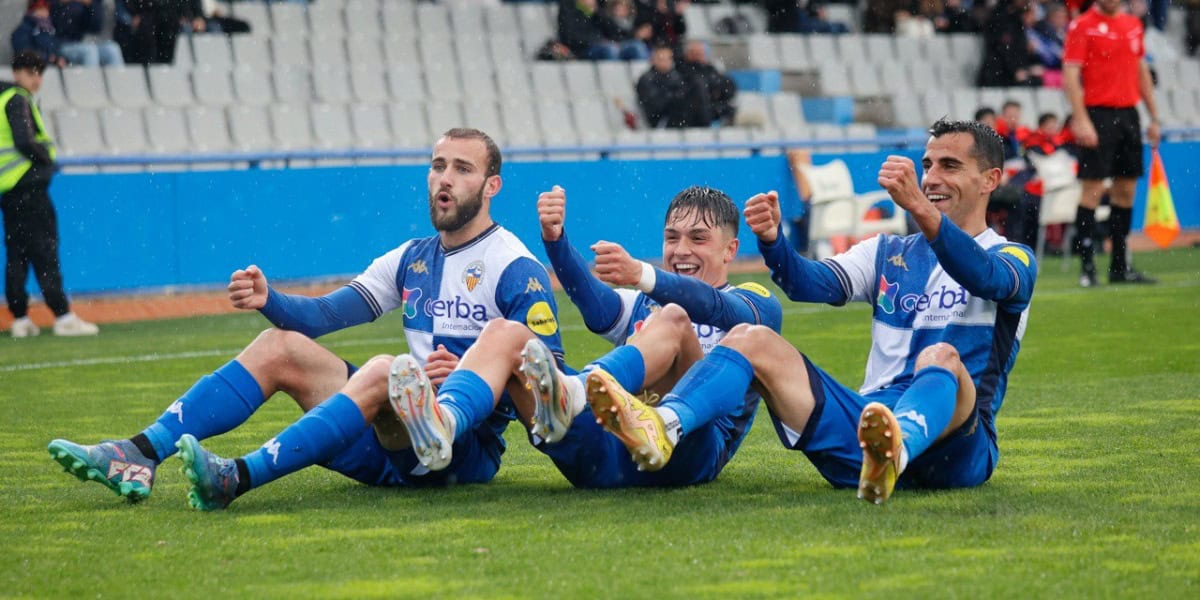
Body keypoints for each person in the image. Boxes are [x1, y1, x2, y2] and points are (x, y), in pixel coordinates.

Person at [47, 128, 566, 508]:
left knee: (386, 369)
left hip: (460, 451)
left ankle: (238, 476)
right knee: (281, 346)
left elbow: (549, 380)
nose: (443, 179)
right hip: (397, 433)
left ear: (492, 186)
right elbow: (322, 315)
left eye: (462, 168)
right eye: (437, 165)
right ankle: (138, 453)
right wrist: (270, 298)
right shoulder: (413, 257)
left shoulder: (513, 264)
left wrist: (472, 379)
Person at [590, 119, 1037, 505]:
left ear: (990, 179)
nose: (933, 178)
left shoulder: (1014, 258)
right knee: (750, 337)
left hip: (958, 447)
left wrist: (918, 208)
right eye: (927, 166)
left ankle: (897, 452)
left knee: (939, 357)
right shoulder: (888, 253)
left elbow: (986, 278)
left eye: (950, 166)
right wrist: (773, 242)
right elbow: (808, 284)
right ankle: (665, 426)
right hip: (865, 428)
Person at [381, 185, 782, 488]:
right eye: (672, 237)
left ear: (731, 250)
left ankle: (572, 392)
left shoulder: (754, 304)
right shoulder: (645, 303)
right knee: (506, 333)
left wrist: (646, 277)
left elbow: (713, 307)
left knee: (674, 318)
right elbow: (594, 304)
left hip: (687, 452)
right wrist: (556, 241)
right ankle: (444, 422)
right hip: (608, 455)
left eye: (698, 239)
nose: (680, 250)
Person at [1063, 0, 1160, 286]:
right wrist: (1081, 119)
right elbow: (1070, 76)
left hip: (1129, 115)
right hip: (1097, 114)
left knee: (1126, 190)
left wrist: (1154, 116)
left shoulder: (1133, 25)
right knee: (1092, 189)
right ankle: (1087, 268)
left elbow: (1141, 71)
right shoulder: (1081, 25)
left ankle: (1119, 267)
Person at [1, 51, 98, 338]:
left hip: (8, 191)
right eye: (32, 72)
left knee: (17, 255)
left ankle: (19, 319)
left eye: (39, 73)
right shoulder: (18, 99)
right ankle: (62, 315)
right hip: (29, 189)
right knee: (45, 251)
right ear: (18, 72)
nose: (37, 79)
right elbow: (24, 140)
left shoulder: (3, 100)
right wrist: (47, 159)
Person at [556, 0, 648, 61]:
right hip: (583, 49)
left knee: (637, 46)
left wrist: (596, 12)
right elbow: (569, 36)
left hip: (606, 43)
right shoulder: (568, 7)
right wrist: (598, 42)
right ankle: (613, 85)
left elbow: (612, 30)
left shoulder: (596, 7)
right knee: (609, 50)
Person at [675, 40, 737, 126]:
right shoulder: (681, 69)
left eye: (700, 52)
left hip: (712, 105)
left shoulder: (710, 68)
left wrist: (716, 91)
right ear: (688, 54)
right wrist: (711, 91)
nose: (698, 55)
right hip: (691, 110)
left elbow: (728, 85)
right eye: (694, 52)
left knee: (732, 110)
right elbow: (694, 86)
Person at [50, 0, 125, 67]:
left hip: (81, 43)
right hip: (61, 45)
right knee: (90, 50)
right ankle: (90, 82)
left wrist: (91, 4)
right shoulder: (55, 4)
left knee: (112, 49)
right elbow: (53, 28)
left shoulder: (83, 4)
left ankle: (120, 82)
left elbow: (96, 27)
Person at [10, 0, 68, 68]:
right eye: (40, 9)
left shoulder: (49, 29)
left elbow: (56, 48)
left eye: (46, 9)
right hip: (30, 69)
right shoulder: (23, 29)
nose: (44, 13)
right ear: (32, 11)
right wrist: (48, 58)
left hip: (46, 68)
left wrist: (60, 59)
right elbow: (24, 52)